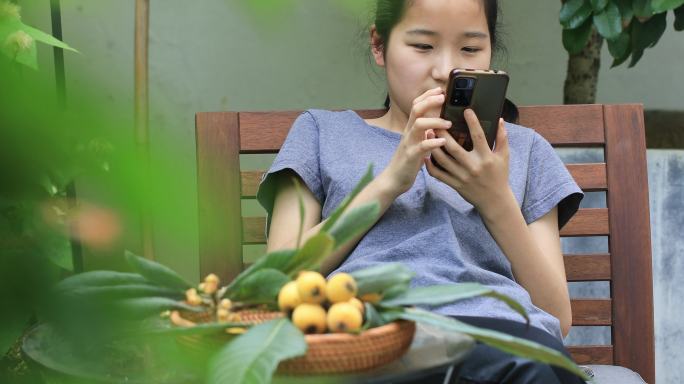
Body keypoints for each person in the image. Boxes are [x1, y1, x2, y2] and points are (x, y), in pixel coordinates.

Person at [256, 0, 585, 383]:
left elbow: (557, 317)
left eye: (470, 49)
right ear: (379, 45)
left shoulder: (524, 151)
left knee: (539, 366)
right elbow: (274, 281)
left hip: (499, 337)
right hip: (370, 336)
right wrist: (390, 181)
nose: (444, 70)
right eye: (423, 46)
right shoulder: (322, 133)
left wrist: (495, 199)